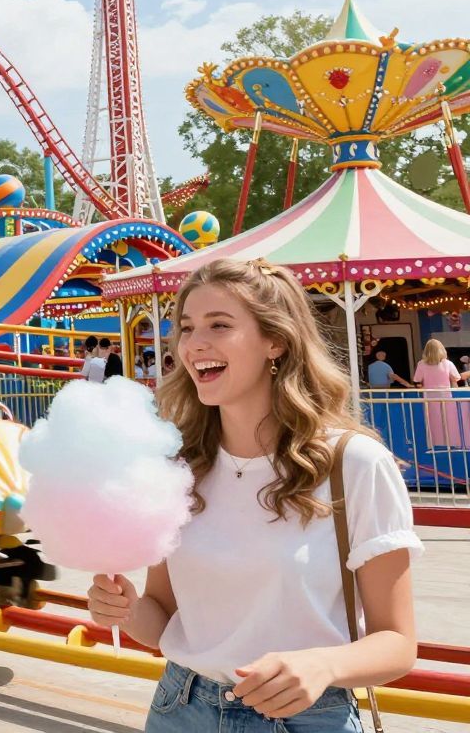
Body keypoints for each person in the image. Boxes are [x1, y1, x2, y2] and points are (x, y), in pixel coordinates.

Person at [87, 259, 419, 729]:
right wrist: (125, 609)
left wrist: (324, 665)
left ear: (275, 342)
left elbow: (398, 643)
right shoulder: (179, 468)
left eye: (219, 325)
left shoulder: (355, 464)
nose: (194, 343)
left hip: (305, 717)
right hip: (181, 708)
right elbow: (161, 621)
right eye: (186, 328)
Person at [414, 339, 468, 449]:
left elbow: (417, 379)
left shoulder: (421, 364)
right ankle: (452, 442)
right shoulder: (448, 364)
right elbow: (457, 377)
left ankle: (433, 443)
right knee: (449, 420)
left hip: (429, 396)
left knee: (432, 421)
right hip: (446, 395)